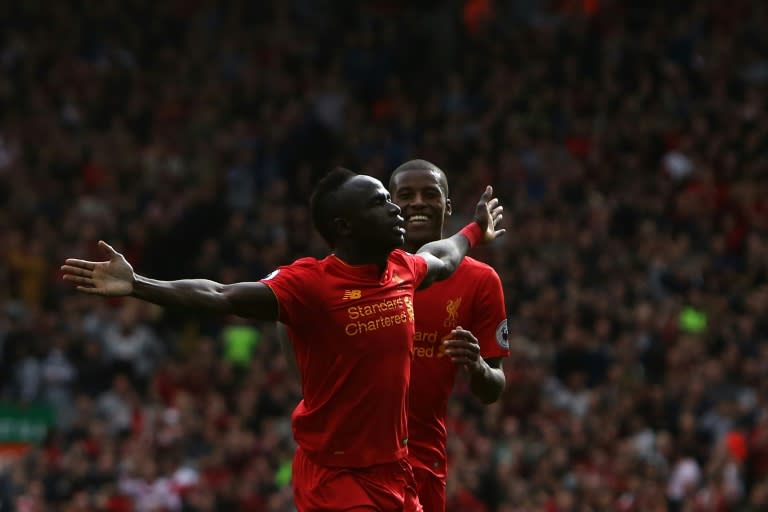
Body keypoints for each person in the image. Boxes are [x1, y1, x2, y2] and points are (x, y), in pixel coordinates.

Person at [61, 167, 505, 512]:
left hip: (395, 468)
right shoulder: (310, 283)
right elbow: (219, 294)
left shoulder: (402, 269)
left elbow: (443, 256)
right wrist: (139, 284)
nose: (396, 210)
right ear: (344, 226)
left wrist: (471, 231)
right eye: (381, 202)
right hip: (336, 474)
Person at [389, 159, 509, 512]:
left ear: (448, 205)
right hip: (356, 455)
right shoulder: (362, 272)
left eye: (430, 193)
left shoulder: (481, 282)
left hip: (424, 458)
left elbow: (494, 387)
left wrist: (476, 366)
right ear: (389, 205)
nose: (418, 202)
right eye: (406, 195)